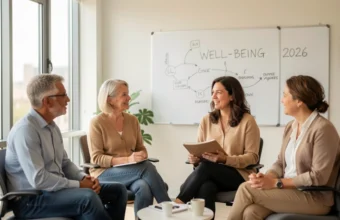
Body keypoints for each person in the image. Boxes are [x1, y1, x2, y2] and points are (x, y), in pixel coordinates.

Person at [5, 74, 127, 220]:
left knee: (118, 190)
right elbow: (39, 179)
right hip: (32, 201)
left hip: (54, 192)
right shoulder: (26, 131)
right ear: (47, 101)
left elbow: (64, 163)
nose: (68, 100)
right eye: (63, 95)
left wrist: (84, 177)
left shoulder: (52, 126)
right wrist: (79, 185)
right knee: (88, 198)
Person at [227, 75, 340, 220]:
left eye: (285, 95)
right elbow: (280, 163)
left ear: (299, 100)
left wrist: (276, 183)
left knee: (246, 189)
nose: (282, 100)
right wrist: (267, 177)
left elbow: (318, 177)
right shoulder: (290, 127)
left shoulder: (323, 129)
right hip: (291, 192)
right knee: (251, 211)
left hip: (315, 197)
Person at [174, 76, 261, 218]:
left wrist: (225, 159)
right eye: (212, 92)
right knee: (205, 186)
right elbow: (199, 150)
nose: (213, 96)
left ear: (232, 95)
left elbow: (252, 157)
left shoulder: (248, 121)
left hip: (238, 175)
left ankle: (179, 201)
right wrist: (195, 159)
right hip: (210, 173)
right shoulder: (206, 120)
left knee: (207, 167)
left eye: (219, 92)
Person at [87, 79, 170, 216]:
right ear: (110, 99)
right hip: (104, 173)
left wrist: (142, 154)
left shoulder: (132, 120)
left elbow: (140, 147)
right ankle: (170, 209)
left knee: (143, 187)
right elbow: (96, 158)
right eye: (124, 94)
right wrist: (127, 159)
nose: (129, 98)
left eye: (128, 94)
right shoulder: (97, 123)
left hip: (131, 172)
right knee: (147, 167)